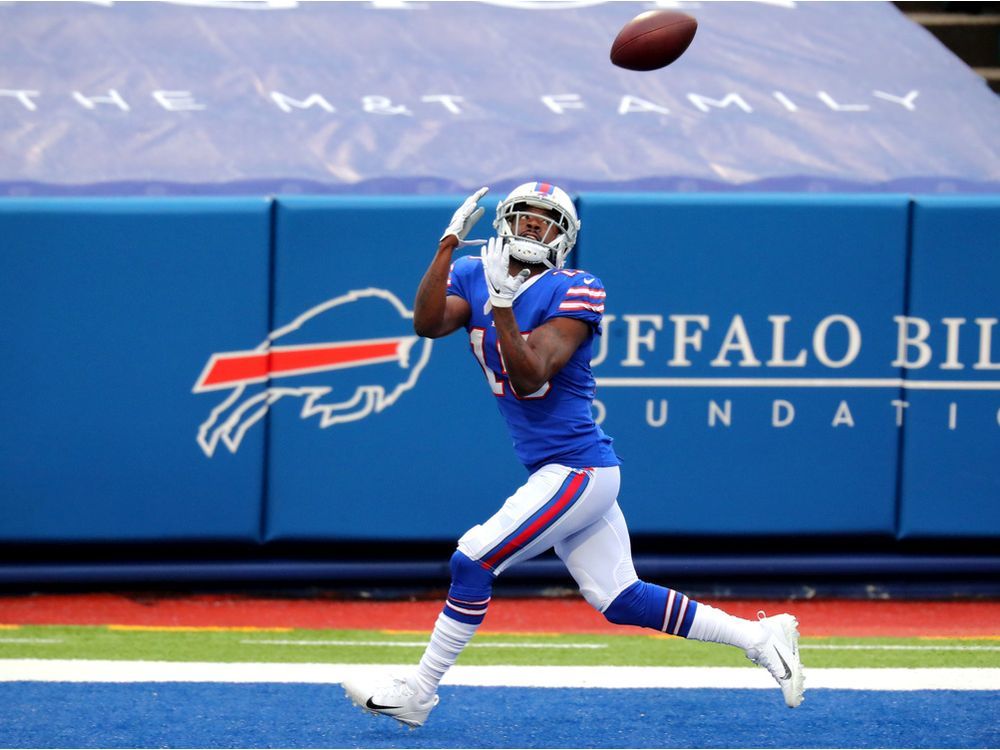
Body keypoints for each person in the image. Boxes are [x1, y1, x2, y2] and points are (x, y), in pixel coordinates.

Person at [342, 182, 805, 727]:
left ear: (564, 235)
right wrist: (446, 247)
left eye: (546, 219)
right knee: (620, 598)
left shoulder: (578, 288)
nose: (533, 226)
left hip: (578, 468)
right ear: (503, 222)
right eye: (524, 216)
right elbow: (426, 324)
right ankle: (760, 635)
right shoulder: (473, 270)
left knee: (473, 559)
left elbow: (531, 373)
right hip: (557, 470)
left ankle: (418, 691)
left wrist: (504, 305)